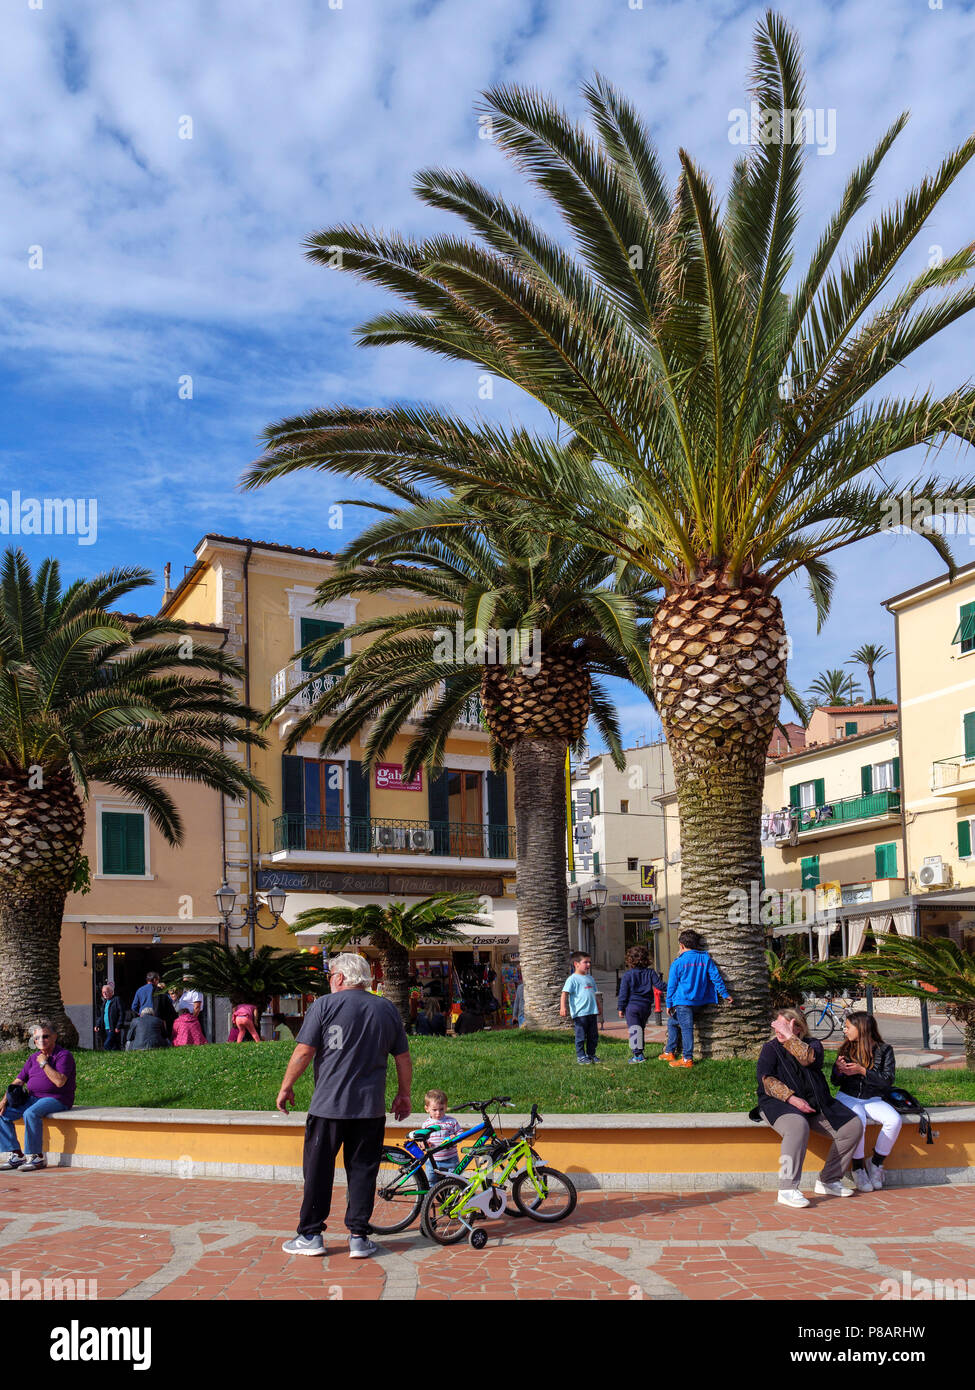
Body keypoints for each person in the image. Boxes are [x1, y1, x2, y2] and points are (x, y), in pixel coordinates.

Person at [277, 952, 411, 1259]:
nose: (329, 981)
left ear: (339, 977)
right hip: (369, 1109)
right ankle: (359, 1238)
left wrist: (286, 1086)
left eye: (330, 976)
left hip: (328, 1108)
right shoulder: (386, 1008)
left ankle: (310, 1235)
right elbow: (402, 1058)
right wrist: (404, 1094)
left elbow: (304, 1052)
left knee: (317, 1171)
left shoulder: (324, 1005)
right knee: (363, 1171)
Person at [756, 1007, 861, 1209]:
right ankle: (787, 1189)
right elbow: (766, 1080)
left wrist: (789, 1037)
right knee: (797, 1126)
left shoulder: (813, 1046)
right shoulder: (770, 1049)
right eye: (777, 1025)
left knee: (852, 1126)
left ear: (798, 1028)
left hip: (815, 1104)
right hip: (779, 1104)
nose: (778, 1029)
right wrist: (791, 1098)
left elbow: (807, 1059)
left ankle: (829, 1180)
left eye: (784, 1026)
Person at [832, 1012, 901, 1191]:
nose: (844, 1030)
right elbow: (835, 1082)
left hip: (873, 1098)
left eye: (848, 1027)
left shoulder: (885, 1050)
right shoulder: (846, 1048)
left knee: (894, 1120)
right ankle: (858, 1167)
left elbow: (887, 1080)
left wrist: (862, 1071)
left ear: (861, 1028)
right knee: (859, 1121)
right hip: (848, 1097)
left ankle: (876, 1163)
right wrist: (838, 1070)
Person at [0, 1021, 76, 1171]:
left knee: (31, 1113)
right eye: (37, 1038)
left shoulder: (63, 1056)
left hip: (57, 1098)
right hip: (33, 1098)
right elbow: (18, 1081)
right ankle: (16, 1154)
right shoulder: (32, 1058)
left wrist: (44, 1063)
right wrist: (3, 1101)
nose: (41, 1040)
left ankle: (37, 1157)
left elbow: (60, 1082)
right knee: (2, 1113)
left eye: (45, 1036)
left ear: (55, 1037)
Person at [660, 929, 733, 1068]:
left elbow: (672, 986)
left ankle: (687, 1059)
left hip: (683, 1002)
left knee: (686, 1029)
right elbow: (716, 977)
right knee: (672, 1022)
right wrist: (725, 994)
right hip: (699, 1002)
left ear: (681, 945)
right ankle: (669, 1051)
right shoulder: (705, 958)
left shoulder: (678, 963)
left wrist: (669, 1003)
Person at [617, 944, 666, 1064]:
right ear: (646, 959)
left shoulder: (628, 975)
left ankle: (638, 1055)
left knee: (635, 1029)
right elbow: (660, 986)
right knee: (640, 1028)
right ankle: (640, 1051)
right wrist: (674, 986)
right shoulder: (651, 973)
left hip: (632, 1007)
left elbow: (623, 993)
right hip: (646, 1007)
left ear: (630, 960)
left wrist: (621, 1008)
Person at [412, 1088, 464, 1183]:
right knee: (431, 1182)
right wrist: (423, 1144)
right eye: (434, 1110)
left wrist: (455, 1138)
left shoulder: (451, 1121)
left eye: (441, 1109)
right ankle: (429, 1197)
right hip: (433, 1161)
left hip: (451, 1160)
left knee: (453, 1182)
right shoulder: (426, 1124)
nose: (438, 1113)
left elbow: (461, 1134)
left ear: (446, 1107)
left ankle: (449, 1197)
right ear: (427, 1109)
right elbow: (422, 1141)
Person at [560, 952, 600, 1064]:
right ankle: (581, 1056)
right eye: (585, 962)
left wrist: (598, 1007)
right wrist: (563, 1007)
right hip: (580, 1013)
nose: (588, 964)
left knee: (593, 1036)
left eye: (589, 962)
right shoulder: (572, 979)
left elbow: (594, 994)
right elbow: (564, 993)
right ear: (576, 964)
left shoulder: (590, 978)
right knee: (581, 1036)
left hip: (592, 1012)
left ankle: (591, 1055)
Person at [94, 982, 124, 1051]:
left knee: (106, 1045)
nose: (104, 994)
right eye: (103, 992)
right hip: (105, 1028)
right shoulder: (105, 1002)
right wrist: (97, 1025)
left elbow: (121, 1014)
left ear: (111, 992)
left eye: (106, 992)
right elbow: (102, 1016)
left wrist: (118, 1026)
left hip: (113, 1028)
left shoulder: (116, 1000)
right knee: (114, 1046)